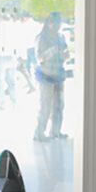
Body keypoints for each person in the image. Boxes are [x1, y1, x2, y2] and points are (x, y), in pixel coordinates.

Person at [33, 11, 69, 141]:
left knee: (59, 106)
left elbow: (66, 54)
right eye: (54, 22)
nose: (57, 25)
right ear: (48, 23)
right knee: (45, 106)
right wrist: (53, 50)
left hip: (59, 75)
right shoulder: (41, 38)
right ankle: (39, 133)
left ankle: (56, 131)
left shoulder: (61, 37)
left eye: (59, 22)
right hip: (45, 76)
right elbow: (39, 58)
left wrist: (65, 55)